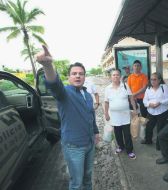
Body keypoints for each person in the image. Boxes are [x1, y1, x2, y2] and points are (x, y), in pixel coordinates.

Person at [36, 45, 99, 190]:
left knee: (88, 178)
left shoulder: (88, 95)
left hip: (89, 143)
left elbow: (91, 115)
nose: (78, 76)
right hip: (74, 147)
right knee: (77, 183)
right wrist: (47, 64)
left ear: (85, 77)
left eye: (81, 73)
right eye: (74, 73)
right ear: (69, 77)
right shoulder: (64, 94)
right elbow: (53, 83)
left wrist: (95, 132)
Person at [104, 69, 137, 159]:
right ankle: (120, 147)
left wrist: (134, 110)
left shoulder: (125, 86)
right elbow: (106, 102)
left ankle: (130, 150)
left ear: (120, 76)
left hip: (125, 115)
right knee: (117, 133)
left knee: (127, 133)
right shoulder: (107, 88)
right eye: (113, 75)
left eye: (117, 75)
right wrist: (106, 114)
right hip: (114, 116)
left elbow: (131, 98)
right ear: (111, 77)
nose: (115, 76)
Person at [142, 72, 168, 149]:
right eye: (151, 79)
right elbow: (144, 100)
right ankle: (148, 140)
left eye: (154, 79)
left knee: (160, 129)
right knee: (148, 127)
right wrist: (149, 104)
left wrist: (160, 103)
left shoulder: (164, 87)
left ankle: (159, 145)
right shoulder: (148, 89)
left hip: (162, 112)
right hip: (151, 112)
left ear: (159, 80)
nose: (152, 81)